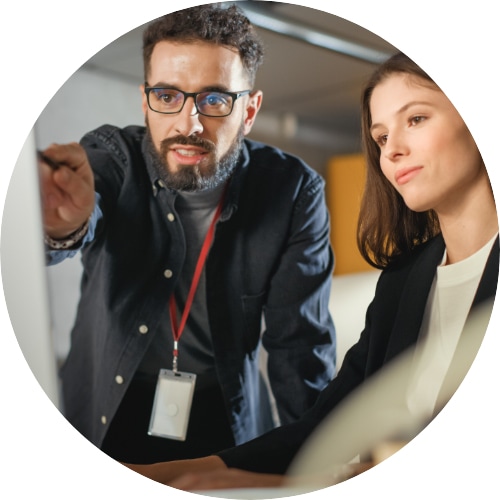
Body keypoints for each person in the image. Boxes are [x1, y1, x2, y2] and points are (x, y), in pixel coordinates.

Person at [123, 51, 499, 491]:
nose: (393, 149)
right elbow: (325, 427)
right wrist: (165, 476)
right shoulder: (401, 283)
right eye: (380, 137)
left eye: (415, 119)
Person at [38, 4, 336, 464]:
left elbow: (300, 347)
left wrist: (318, 461)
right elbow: (79, 218)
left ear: (250, 111)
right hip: (105, 410)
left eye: (214, 100)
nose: (188, 124)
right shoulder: (111, 156)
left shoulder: (293, 192)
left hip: (225, 415)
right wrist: (62, 226)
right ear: (145, 100)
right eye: (168, 96)